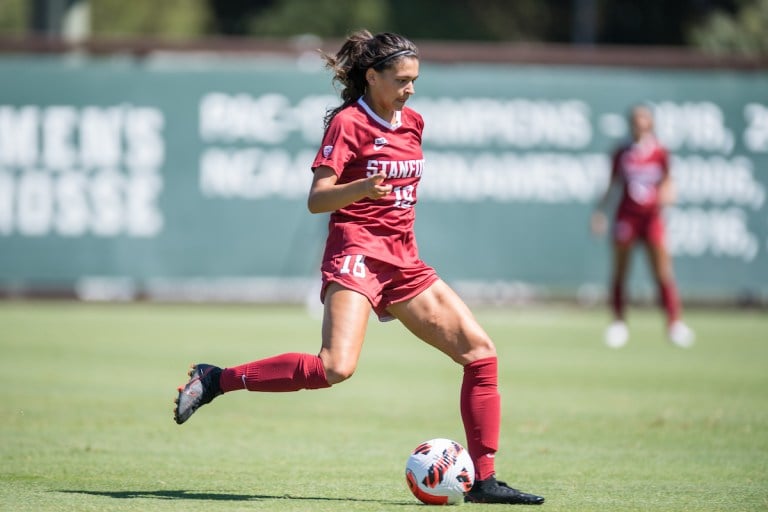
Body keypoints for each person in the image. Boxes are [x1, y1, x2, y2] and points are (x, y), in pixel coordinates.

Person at [173, 30, 544, 505]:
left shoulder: (413, 122)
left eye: (415, 79)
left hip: (403, 260)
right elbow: (316, 200)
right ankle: (216, 379)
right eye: (402, 80)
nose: (410, 88)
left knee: (481, 354)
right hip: (356, 253)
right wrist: (363, 188)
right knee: (335, 367)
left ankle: (486, 481)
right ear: (373, 77)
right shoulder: (348, 123)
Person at [591, 104, 694, 349]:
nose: (640, 124)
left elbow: (669, 181)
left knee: (662, 270)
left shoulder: (660, 152)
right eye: (636, 119)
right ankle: (618, 322)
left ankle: (673, 323)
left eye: (644, 119)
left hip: (652, 218)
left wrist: (668, 194)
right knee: (620, 270)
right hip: (627, 217)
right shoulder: (622, 152)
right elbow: (612, 184)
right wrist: (600, 212)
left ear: (651, 123)